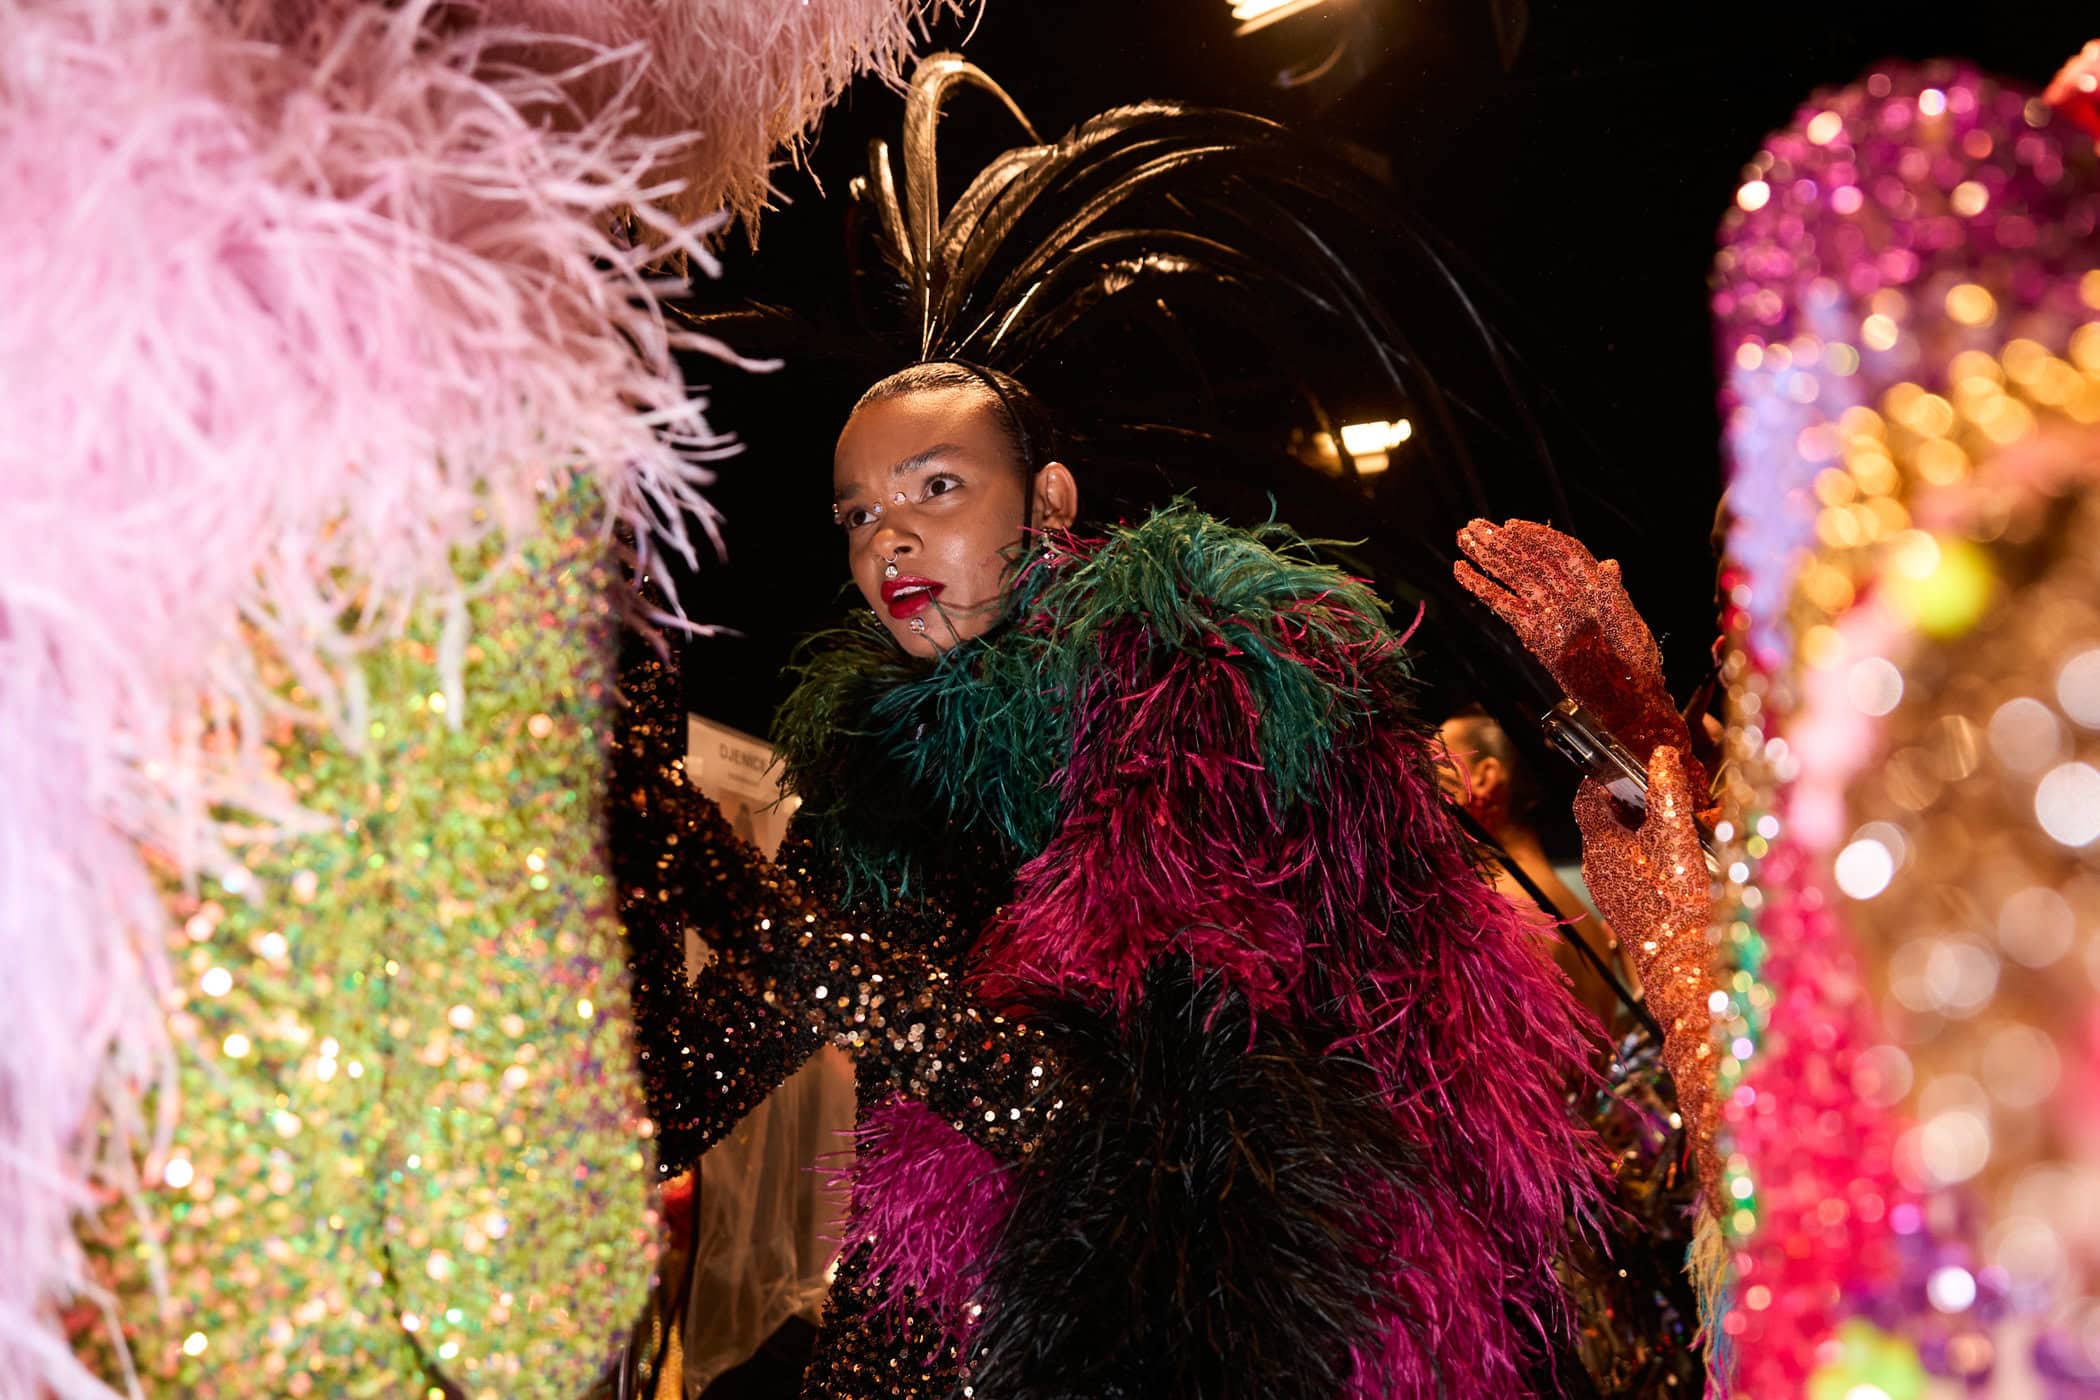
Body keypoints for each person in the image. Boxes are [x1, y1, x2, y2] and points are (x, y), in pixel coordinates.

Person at [1436, 703, 1634, 1034]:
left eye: (1437, 768)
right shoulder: (1569, 907)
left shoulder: (1500, 917)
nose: (1420, 792)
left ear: (1485, 777)